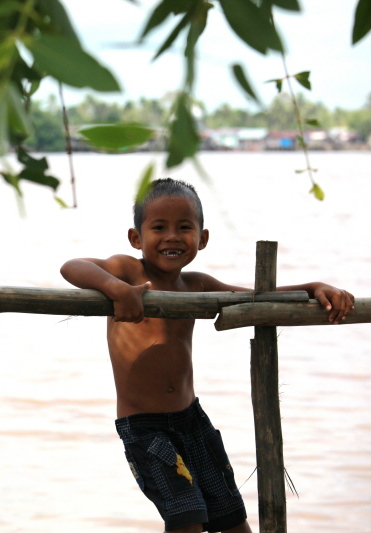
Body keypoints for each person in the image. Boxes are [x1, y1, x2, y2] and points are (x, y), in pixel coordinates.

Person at [59, 178, 354, 533]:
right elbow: (72, 266)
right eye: (158, 227)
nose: (171, 236)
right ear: (136, 238)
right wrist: (117, 290)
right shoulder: (128, 272)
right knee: (187, 520)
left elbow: (256, 298)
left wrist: (313, 287)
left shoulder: (195, 284)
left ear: (202, 238)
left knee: (231, 519)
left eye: (184, 227)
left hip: (193, 420)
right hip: (146, 428)